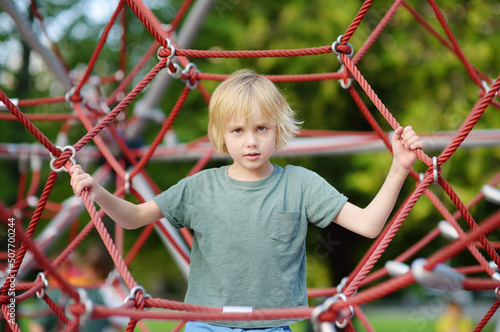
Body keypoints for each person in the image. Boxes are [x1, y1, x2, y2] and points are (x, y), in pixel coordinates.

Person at [69, 69, 424, 331]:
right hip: (206, 326)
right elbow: (132, 217)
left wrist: (398, 168)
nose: (250, 141)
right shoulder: (200, 187)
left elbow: (368, 224)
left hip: (271, 326)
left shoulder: (300, 184)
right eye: (238, 130)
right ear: (221, 135)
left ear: (278, 130)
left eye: (261, 128)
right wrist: (98, 193)